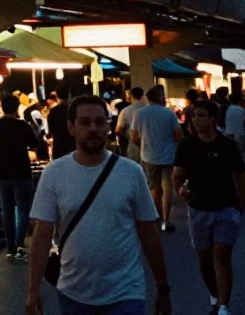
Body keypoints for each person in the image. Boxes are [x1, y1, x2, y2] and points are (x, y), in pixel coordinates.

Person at [25, 96, 171, 315]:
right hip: (73, 293)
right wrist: (33, 290)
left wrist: (163, 288)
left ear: (108, 126)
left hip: (126, 293)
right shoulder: (54, 173)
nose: (93, 128)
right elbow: (42, 235)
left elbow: (149, 234)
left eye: (99, 122)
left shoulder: (131, 173)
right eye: (84, 123)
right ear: (71, 128)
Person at [172, 99, 245, 315]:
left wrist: (239, 207)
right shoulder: (187, 145)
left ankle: (224, 305)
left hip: (225, 208)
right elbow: (177, 175)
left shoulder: (226, 145)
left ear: (213, 119)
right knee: (204, 260)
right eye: (194, 115)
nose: (196, 120)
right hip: (198, 209)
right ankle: (214, 295)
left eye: (201, 115)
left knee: (221, 257)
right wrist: (180, 190)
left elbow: (241, 176)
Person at [0, 93, 41, 263]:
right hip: (21, 171)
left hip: (2, 172)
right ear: (17, 107)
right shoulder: (22, 125)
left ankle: (10, 249)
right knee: (23, 210)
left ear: (2, 106)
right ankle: (19, 246)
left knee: (6, 210)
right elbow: (35, 145)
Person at [131, 85, 183, 232]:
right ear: (160, 97)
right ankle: (167, 220)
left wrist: (145, 144)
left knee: (154, 187)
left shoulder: (139, 114)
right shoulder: (169, 113)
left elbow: (134, 137)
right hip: (168, 156)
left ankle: (158, 219)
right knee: (168, 187)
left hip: (148, 156)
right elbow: (179, 135)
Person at [115, 87, 146, 162]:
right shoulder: (148, 110)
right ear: (142, 96)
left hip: (132, 146)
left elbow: (118, 130)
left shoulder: (125, 111)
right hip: (148, 147)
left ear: (131, 96)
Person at [47, 86, 75, 159]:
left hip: (59, 147)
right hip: (73, 146)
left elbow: (51, 130)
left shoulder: (53, 111)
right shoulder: (74, 110)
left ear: (57, 96)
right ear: (69, 95)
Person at [224, 92, 245, 166]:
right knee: (241, 152)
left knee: (231, 151)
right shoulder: (242, 110)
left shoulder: (227, 108)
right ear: (240, 101)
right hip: (240, 133)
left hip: (228, 132)